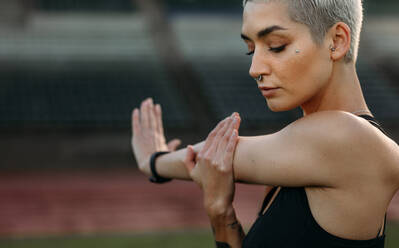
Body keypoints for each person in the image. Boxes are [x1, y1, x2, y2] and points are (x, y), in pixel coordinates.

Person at [131, 0, 399, 247]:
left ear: (337, 41)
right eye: (251, 50)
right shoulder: (299, 156)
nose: (255, 68)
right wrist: (220, 214)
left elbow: (220, 153)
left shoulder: (350, 138)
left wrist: (154, 161)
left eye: (275, 45)